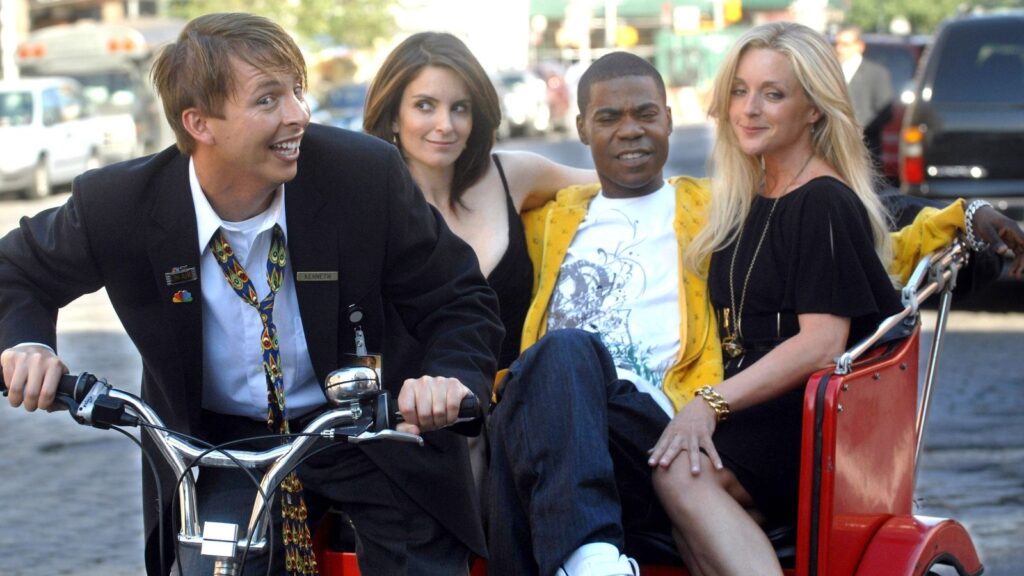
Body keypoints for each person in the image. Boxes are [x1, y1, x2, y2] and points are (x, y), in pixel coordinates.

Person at [485, 48, 1024, 576]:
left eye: (645, 114)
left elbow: (873, 218)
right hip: (572, 414)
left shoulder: (709, 206)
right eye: (740, 92)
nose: (630, 130)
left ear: (671, 120)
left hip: (677, 412)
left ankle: (591, 563)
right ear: (582, 128)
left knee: (567, 352)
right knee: (531, 384)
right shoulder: (558, 218)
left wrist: (964, 211)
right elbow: (467, 214)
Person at [0, 13, 503, 576]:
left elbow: (459, 298)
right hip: (221, 446)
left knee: (420, 562)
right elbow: (15, 272)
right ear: (200, 123)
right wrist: (28, 345)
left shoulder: (361, 176)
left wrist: (447, 378)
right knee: (217, 564)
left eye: (297, 91)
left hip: (364, 430)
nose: (299, 116)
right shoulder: (119, 206)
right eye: (268, 100)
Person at [362, 31, 595, 371]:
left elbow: (621, 182)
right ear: (394, 116)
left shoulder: (512, 175)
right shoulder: (368, 201)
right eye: (425, 106)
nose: (445, 125)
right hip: (415, 417)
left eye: (460, 108)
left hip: (525, 404)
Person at [834, 25, 892, 166]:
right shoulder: (831, 72)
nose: (840, 49)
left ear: (859, 46)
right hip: (835, 149)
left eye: (846, 44)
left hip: (866, 150)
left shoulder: (877, 73)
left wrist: (861, 130)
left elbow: (886, 111)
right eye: (837, 44)